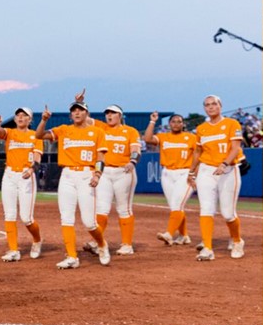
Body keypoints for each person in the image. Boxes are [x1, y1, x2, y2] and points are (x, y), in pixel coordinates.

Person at [34, 100, 110, 268]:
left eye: (80, 110)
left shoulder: (97, 132)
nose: (77, 113)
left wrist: (97, 174)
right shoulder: (64, 130)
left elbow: (101, 157)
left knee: (89, 222)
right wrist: (44, 119)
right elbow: (39, 135)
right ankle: (71, 257)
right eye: (74, 111)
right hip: (67, 174)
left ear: (86, 114)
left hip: (86, 175)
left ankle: (102, 244)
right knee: (66, 218)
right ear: (70, 115)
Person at [188, 95, 246, 260]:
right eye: (207, 105)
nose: (210, 107)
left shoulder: (231, 124)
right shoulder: (201, 128)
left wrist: (225, 164)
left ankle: (237, 241)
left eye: (214, 104)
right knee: (206, 208)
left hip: (228, 170)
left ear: (220, 106)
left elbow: (235, 148)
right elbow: (198, 152)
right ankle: (207, 248)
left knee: (228, 213)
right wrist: (192, 171)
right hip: (207, 170)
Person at [88, 105, 141, 255]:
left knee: (124, 208)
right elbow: (83, 117)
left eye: (113, 113)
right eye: (107, 113)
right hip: (104, 172)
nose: (109, 116)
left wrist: (133, 161)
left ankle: (127, 244)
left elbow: (136, 149)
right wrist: (79, 102)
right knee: (101, 208)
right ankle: (96, 241)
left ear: (120, 115)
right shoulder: (101, 127)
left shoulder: (130, 131)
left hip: (123, 171)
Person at [0, 108, 43, 261]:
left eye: (24, 115)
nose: (21, 117)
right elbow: (0, 132)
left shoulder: (36, 136)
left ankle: (37, 240)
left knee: (26, 217)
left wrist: (32, 169)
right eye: (18, 115)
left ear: (30, 120)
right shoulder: (10, 133)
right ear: (15, 119)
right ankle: (13, 250)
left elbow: (37, 157)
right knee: (9, 214)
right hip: (9, 175)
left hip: (26, 175)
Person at [144, 112, 196, 245]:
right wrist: (152, 122)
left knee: (177, 205)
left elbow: (198, 156)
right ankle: (184, 235)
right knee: (176, 206)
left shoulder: (191, 138)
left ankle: (169, 234)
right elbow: (147, 139)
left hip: (185, 173)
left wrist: (194, 173)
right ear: (169, 124)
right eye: (173, 121)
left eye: (179, 121)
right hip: (167, 174)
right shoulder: (163, 137)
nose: (176, 124)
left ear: (183, 124)